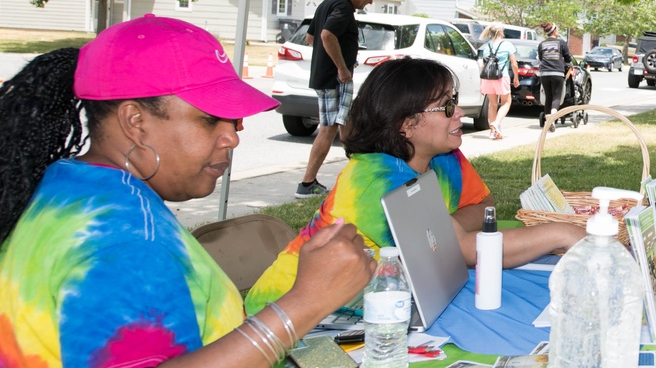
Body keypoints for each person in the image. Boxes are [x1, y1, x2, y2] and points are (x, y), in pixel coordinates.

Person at [0, 16, 375, 368]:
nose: (233, 137)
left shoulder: (69, 188)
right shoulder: (125, 233)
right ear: (135, 121)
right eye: (209, 119)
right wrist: (303, 303)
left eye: (234, 120)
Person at [246, 56, 584, 313]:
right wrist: (560, 232)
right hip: (292, 313)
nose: (459, 113)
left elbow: (487, 208)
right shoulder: (373, 179)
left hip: (369, 306)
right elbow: (463, 250)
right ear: (407, 125)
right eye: (447, 106)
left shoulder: (441, 155)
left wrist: (442, 224)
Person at [295, 0, 383, 198]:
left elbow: (310, 37)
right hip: (335, 78)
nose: (370, 1)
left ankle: (361, 172)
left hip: (326, 76)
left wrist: (326, 61)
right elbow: (326, 35)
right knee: (328, 128)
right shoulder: (343, 8)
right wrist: (342, 68)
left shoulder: (328, 3)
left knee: (346, 122)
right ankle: (307, 184)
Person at [477, 22, 519, 140]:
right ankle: (496, 123)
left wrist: (481, 84)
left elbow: (482, 65)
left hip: (488, 78)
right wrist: (516, 77)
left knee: (492, 104)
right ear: (500, 32)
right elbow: (514, 64)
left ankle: (492, 132)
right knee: (506, 102)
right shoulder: (507, 45)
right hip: (501, 77)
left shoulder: (487, 46)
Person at [536, 21, 573, 131]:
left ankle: (548, 119)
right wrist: (568, 64)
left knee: (548, 96)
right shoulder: (561, 43)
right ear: (555, 31)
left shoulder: (541, 44)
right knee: (556, 97)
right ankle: (552, 116)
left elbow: (541, 58)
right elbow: (568, 58)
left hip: (544, 73)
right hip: (557, 73)